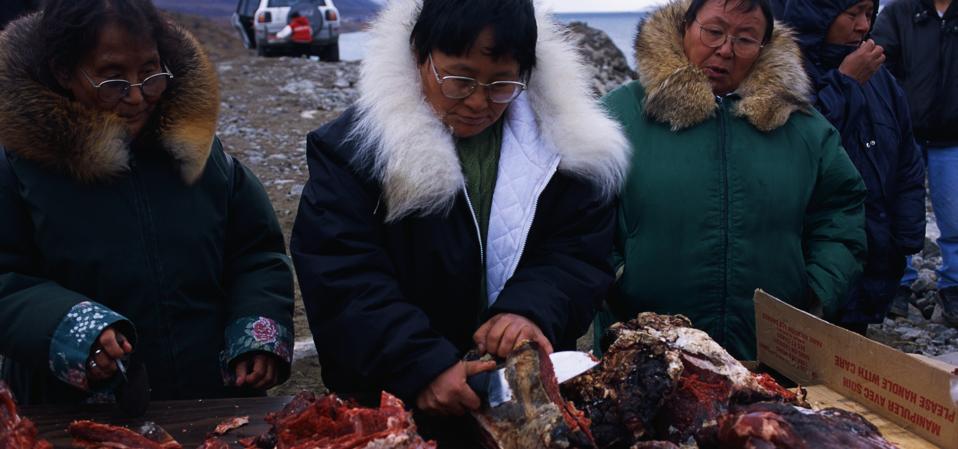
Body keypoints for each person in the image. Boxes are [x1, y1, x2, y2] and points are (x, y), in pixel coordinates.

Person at [290, 0, 629, 438]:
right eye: (459, 79)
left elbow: (579, 250)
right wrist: (421, 365)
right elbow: (341, 274)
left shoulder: (568, 148)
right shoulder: (353, 151)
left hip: (523, 406)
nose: (478, 102)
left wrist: (531, 311)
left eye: (502, 83)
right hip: (393, 406)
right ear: (419, 55)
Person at [0, 0, 294, 405]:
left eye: (151, 73)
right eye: (112, 79)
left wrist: (256, 335)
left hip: (210, 405)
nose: (137, 96)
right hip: (73, 415)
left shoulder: (200, 156)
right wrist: (76, 331)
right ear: (63, 71)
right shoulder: (18, 167)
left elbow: (254, 253)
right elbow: (6, 280)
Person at [601, 0, 867, 360]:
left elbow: (842, 213)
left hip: (768, 360)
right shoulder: (622, 114)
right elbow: (579, 213)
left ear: (763, 47)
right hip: (642, 354)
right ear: (685, 27)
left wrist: (816, 293)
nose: (725, 49)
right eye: (714, 32)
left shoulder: (803, 128)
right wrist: (618, 275)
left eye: (745, 39)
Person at [778, 0, 925, 334]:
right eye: (852, 13)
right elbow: (798, 152)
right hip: (810, 265)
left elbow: (907, 157)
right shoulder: (785, 73)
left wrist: (907, 232)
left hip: (875, 252)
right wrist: (845, 82)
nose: (863, 26)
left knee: (853, 366)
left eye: (869, 14)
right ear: (819, 14)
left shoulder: (879, 78)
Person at [873, 0, 958, 325]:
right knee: (895, 210)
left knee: (955, 219)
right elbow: (880, 65)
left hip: (953, 136)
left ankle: (953, 290)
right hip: (904, 133)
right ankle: (896, 285)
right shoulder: (898, 13)